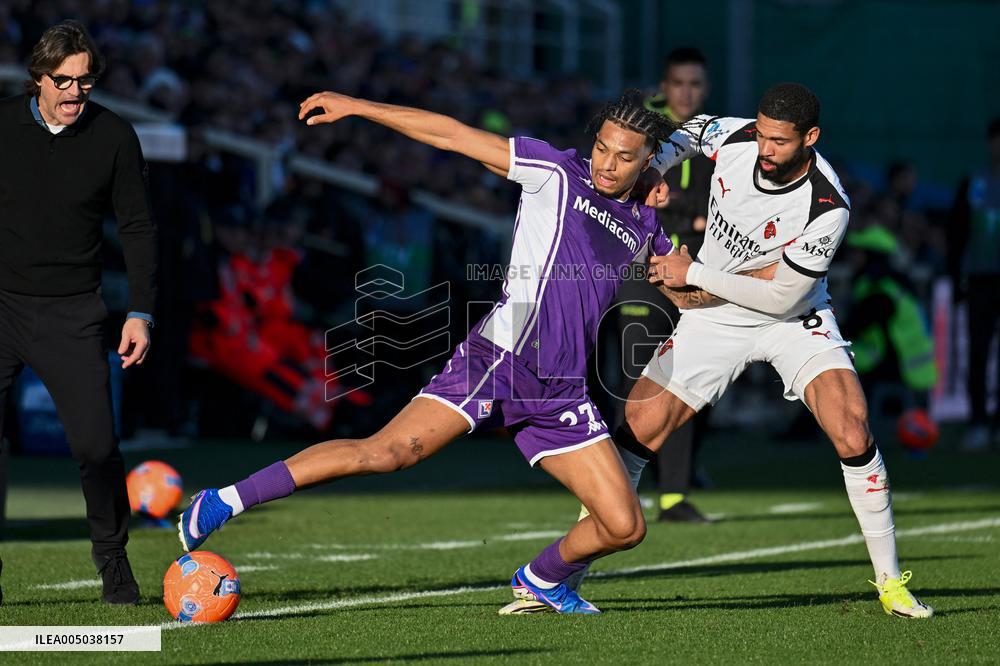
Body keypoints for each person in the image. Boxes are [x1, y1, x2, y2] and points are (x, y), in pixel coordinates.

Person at [179, 89, 695, 614]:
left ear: (647, 161)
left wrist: (714, 279)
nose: (607, 163)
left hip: (562, 388)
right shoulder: (555, 172)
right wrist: (361, 107)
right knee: (385, 454)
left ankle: (542, 579)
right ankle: (223, 500)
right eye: (602, 148)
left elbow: (682, 288)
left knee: (625, 526)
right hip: (501, 359)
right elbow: (452, 135)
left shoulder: (645, 222)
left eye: (624, 157)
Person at [581, 83, 932, 618]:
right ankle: (565, 576)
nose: (765, 148)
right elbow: (689, 133)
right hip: (715, 317)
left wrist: (693, 273)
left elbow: (780, 295)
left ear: (810, 138)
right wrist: (659, 167)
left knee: (852, 428)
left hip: (793, 320)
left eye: (779, 141)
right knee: (637, 429)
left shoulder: (827, 205)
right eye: (762, 134)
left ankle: (890, 583)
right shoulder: (736, 135)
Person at [0, 20, 157, 605]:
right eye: (63, 80)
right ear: (38, 78)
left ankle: (113, 561)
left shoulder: (113, 135)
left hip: (73, 312)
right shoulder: (2, 125)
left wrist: (140, 311)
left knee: (96, 446)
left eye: (85, 81)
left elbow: (138, 227)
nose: (74, 92)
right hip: (2, 303)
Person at [612, 47, 715, 523]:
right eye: (678, 83)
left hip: (695, 273)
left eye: (695, 84)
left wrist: (687, 211)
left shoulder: (717, 135)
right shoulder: (640, 127)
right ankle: (615, 487)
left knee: (689, 379)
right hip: (640, 269)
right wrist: (689, 213)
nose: (686, 93)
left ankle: (674, 492)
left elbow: (716, 204)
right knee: (636, 378)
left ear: (705, 88)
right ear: (664, 85)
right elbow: (628, 188)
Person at [949, 118, 1000, 452]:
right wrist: (957, 279)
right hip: (980, 279)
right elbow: (957, 232)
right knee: (978, 353)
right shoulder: (973, 183)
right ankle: (978, 422)